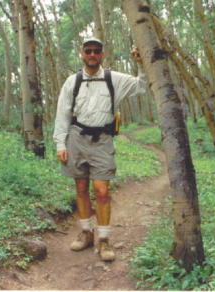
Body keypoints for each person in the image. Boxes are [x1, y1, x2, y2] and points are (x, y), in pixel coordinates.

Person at [53, 37, 146, 261]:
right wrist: (60, 143)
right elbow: (63, 113)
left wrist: (141, 63)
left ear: (102, 54)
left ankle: (104, 240)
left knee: (102, 191)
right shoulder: (71, 82)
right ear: (82, 54)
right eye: (88, 51)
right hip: (76, 137)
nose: (92, 54)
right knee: (81, 188)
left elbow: (141, 85)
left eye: (96, 51)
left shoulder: (113, 79)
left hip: (103, 139)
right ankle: (86, 233)